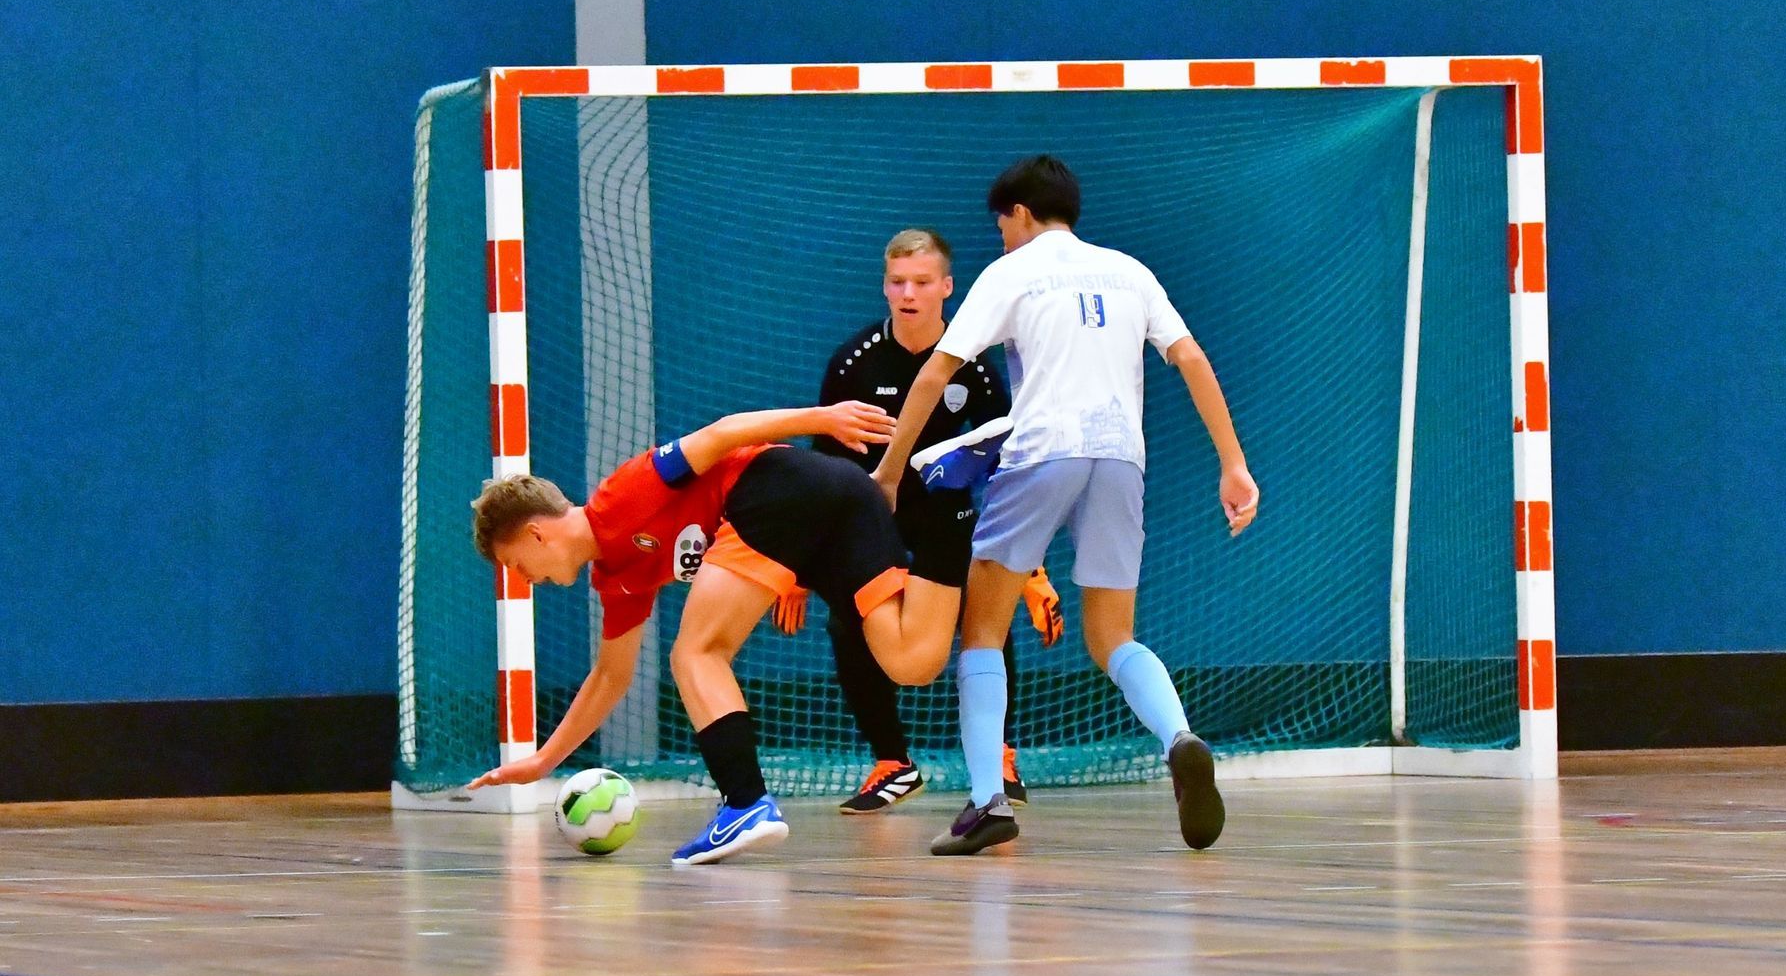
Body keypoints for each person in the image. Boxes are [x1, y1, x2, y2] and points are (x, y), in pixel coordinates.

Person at [872, 155, 1260, 856]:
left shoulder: (1012, 272)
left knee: (982, 631)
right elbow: (1192, 359)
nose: (1001, 237)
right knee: (1113, 637)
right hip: (1120, 459)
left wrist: (892, 470)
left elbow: (935, 373)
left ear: (1021, 213)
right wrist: (1233, 464)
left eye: (1002, 224)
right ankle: (1179, 736)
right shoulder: (1130, 271)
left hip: (1040, 455)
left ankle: (987, 802)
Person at [465, 402, 965, 866]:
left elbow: (721, 434)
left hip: (784, 486)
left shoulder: (619, 496)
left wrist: (824, 419)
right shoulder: (617, 578)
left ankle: (745, 804)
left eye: (515, 564)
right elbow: (610, 677)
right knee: (911, 660)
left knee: (696, 654)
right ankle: (952, 512)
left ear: (535, 534)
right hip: (840, 504)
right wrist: (543, 762)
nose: (523, 579)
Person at [778, 228, 1062, 814]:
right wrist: (799, 568)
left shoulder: (974, 367)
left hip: (946, 515)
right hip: (868, 517)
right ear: (885, 287)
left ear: (946, 287)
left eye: (922, 282)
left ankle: (998, 755)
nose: (908, 294)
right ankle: (892, 763)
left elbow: (1005, 467)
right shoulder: (854, 361)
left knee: (987, 619)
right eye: (898, 282)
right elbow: (822, 467)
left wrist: (1030, 568)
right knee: (848, 623)